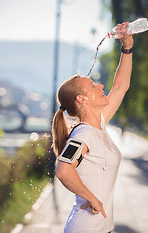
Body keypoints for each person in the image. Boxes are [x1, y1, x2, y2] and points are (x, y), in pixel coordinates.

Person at [52, 22, 134, 233]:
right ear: (81, 98)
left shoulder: (98, 125)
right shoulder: (84, 134)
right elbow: (63, 170)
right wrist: (91, 198)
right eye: (93, 85)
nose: (101, 86)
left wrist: (127, 48)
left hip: (101, 227)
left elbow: (121, 86)